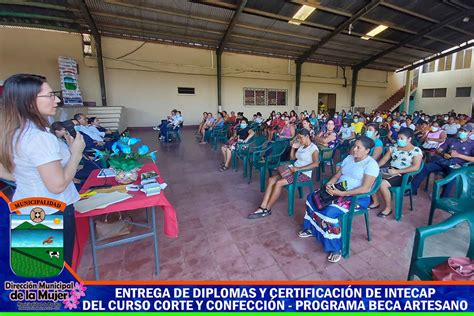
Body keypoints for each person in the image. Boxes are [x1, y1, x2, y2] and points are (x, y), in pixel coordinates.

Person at [0, 74, 85, 266]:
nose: (56, 100)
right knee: (57, 272)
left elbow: (7, 171)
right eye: (49, 95)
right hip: (51, 212)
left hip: (27, 207)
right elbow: (58, 185)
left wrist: (29, 179)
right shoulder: (38, 137)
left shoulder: (13, 132)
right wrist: (76, 153)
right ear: (29, 102)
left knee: (38, 270)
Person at [298, 136, 379, 263]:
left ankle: (336, 247)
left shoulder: (371, 165)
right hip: (339, 190)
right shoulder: (349, 158)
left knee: (330, 212)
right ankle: (312, 228)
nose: (354, 149)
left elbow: (365, 189)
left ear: (367, 150)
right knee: (312, 198)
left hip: (357, 197)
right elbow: (338, 174)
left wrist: (342, 193)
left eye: (359, 147)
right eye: (354, 146)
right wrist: (329, 184)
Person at [247, 129, 319, 219]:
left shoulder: (313, 148)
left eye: (301, 138)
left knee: (278, 183)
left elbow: (316, 164)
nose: (299, 140)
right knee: (271, 179)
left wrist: (298, 169)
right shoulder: (301, 146)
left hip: (303, 174)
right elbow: (292, 158)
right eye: (298, 138)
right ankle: (263, 206)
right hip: (293, 170)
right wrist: (293, 147)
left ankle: (267, 209)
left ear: (307, 136)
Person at [371, 128, 423, 218]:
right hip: (391, 170)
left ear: (409, 139)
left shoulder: (416, 150)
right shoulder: (394, 147)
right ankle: (376, 202)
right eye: (398, 138)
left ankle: (388, 208)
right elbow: (384, 159)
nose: (399, 140)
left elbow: (416, 167)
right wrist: (375, 167)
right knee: (371, 177)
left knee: (382, 184)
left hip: (404, 174)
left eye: (402, 138)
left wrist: (398, 171)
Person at [411, 125, 474, 196]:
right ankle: (412, 189)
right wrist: (443, 154)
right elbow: (438, 150)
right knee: (425, 167)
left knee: (452, 175)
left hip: (457, 165)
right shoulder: (451, 140)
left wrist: (458, 155)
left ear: (470, 132)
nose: (462, 132)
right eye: (461, 130)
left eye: (464, 131)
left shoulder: (472, 144)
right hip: (444, 162)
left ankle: (444, 196)